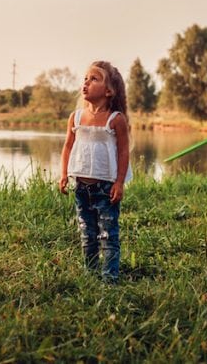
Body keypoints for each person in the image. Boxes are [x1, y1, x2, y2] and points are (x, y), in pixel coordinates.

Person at [58, 61, 132, 282]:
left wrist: (119, 183)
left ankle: (110, 278)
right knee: (87, 234)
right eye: (85, 79)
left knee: (108, 234)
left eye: (94, 79)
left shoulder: (115, 119)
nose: (86, 83)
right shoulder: (76, 117)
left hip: (106, 187)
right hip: (81, 186)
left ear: (109, 91)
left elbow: (123, 153)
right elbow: (68, 146)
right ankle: (90, 275)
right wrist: (64, 174)